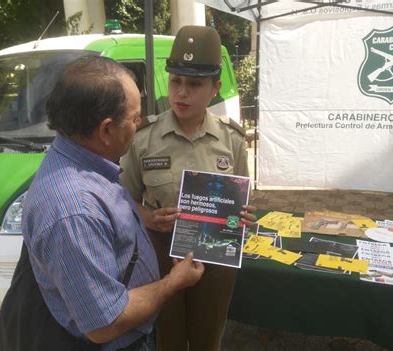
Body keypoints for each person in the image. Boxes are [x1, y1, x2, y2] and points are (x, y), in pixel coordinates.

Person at [0, 56, 204, 351]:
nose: (139, 123)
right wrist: (172, 283)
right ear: (106, 130)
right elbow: (105, 323)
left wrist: (149, 220)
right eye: (134, 118)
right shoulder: (74, 211)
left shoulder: (82, 158)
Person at [120, 26, 257, 351]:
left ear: (215, 88)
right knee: (167, 338)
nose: (182, 92)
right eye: (176, 81)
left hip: (215, 259)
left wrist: (245, 214)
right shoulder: (144, 139)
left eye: (195, 84)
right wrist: (150, 219)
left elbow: (241, 199)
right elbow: (122, 198)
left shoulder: (232, 140)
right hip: (161, 255)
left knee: (209, 339)